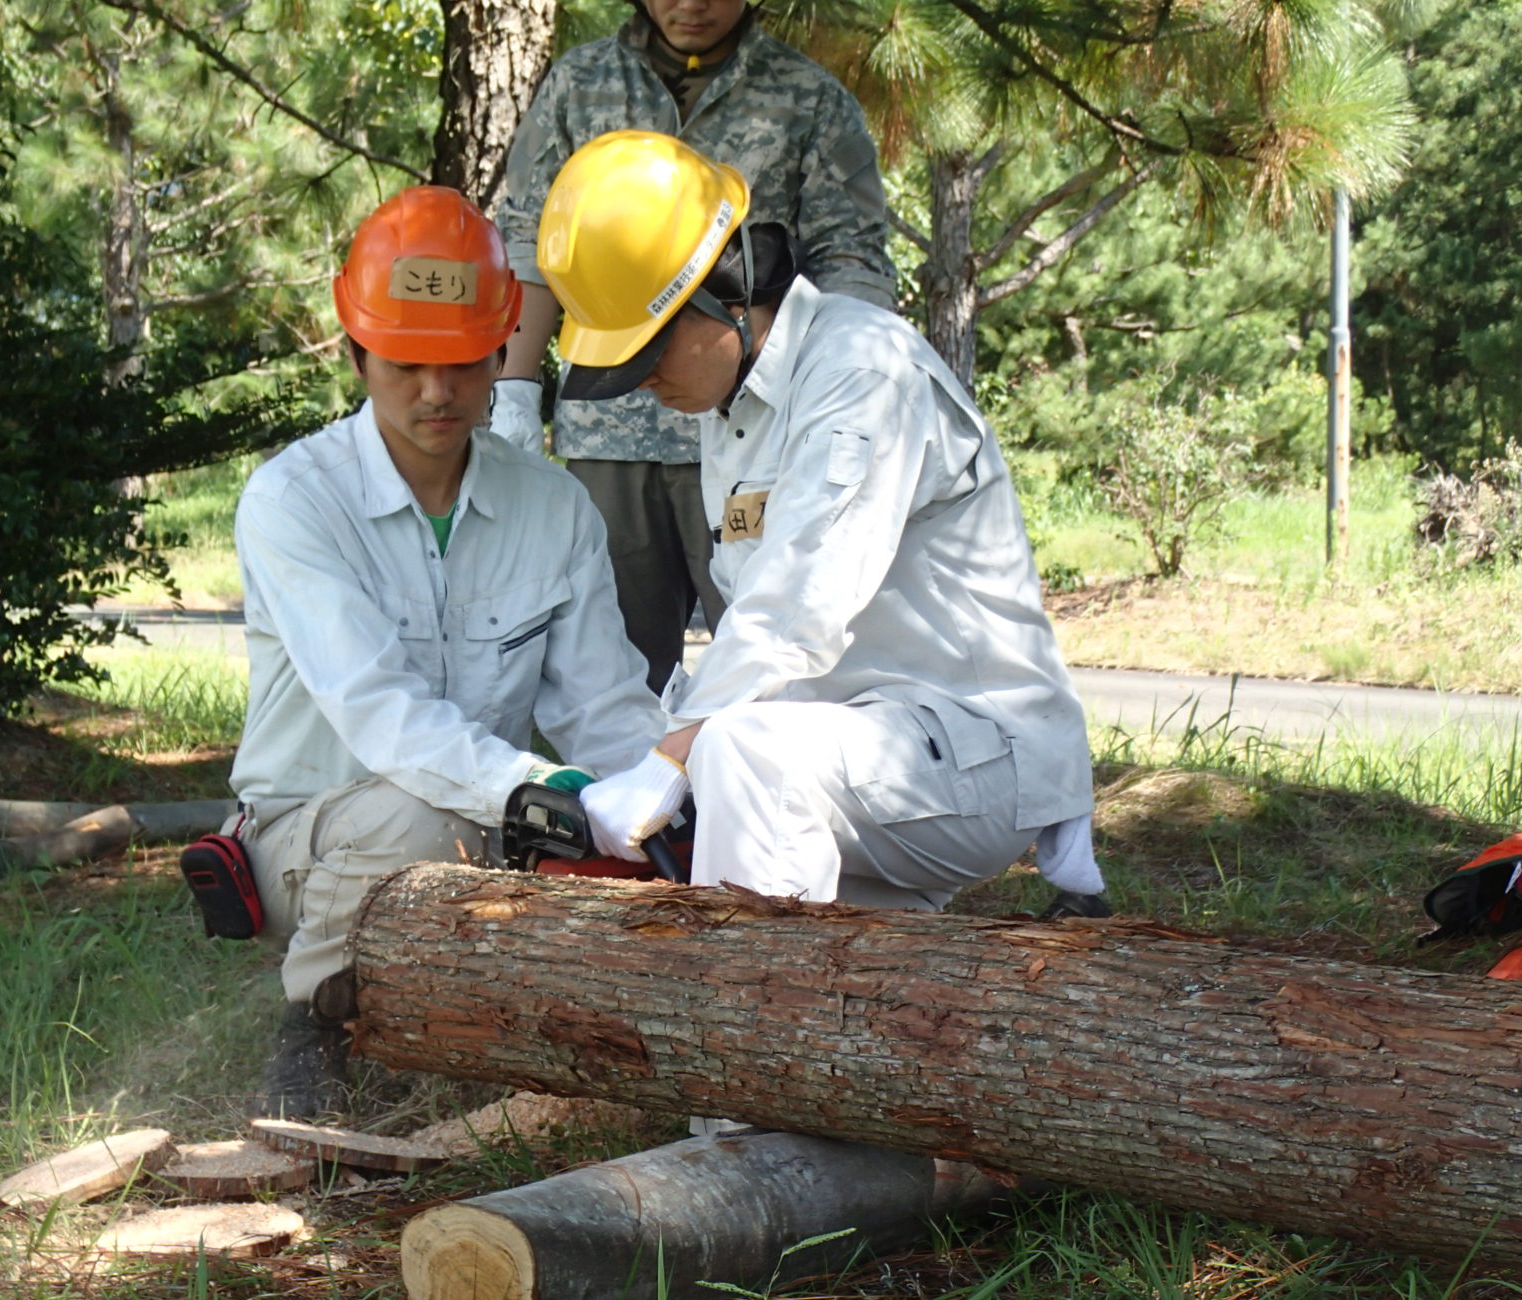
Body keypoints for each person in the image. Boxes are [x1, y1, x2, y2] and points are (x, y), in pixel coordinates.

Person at [535, 130, 1108, 924]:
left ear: (724, 291)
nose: (644, 384)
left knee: (740, 758)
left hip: (976, 753)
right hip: (858, 758)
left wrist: (671, 759)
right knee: (868, 969)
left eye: (649, 352)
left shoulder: (860, 372)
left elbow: (796, 606)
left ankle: (750, 1033)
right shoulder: (730, 403)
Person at [225, 186, 664, 1117]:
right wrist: (535, 795)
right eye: (406, 363)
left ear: (503, 352)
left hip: (493, 823)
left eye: (463, 363)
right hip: (313, 831)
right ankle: (311, 1029)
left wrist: (657, 804)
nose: (436, 392)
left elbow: (608, 706)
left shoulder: (553, 506)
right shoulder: (293, 501)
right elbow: (379, 711)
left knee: (624, 845)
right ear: (355, 353)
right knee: (425, 821)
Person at [492, 0, 898, 693]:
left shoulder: (809, 98)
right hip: (610, 434)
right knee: (605, 679)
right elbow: (532, 243)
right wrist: (515, 392)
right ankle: (630, 804)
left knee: (774, 669)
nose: (692, 4)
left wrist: (839, 397)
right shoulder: (579, 84)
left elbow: (852, 261)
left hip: (760, 433)